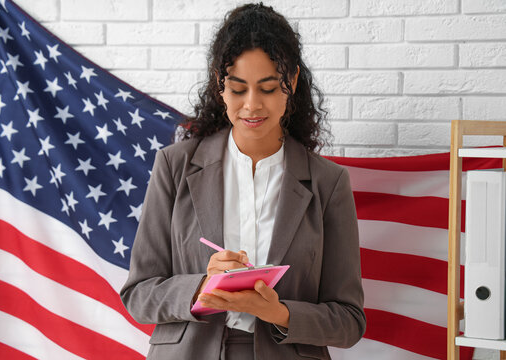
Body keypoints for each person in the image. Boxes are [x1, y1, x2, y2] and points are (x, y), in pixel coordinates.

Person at [120, 3, 366, 359]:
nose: (252, 105)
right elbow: (138, 294)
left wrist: (277, 312)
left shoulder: (328, 182)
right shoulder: (175, 165)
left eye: (267, 88)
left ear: (292, 83)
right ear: (219, 86)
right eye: (238, 89)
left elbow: (349, 320)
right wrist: (201, 287)